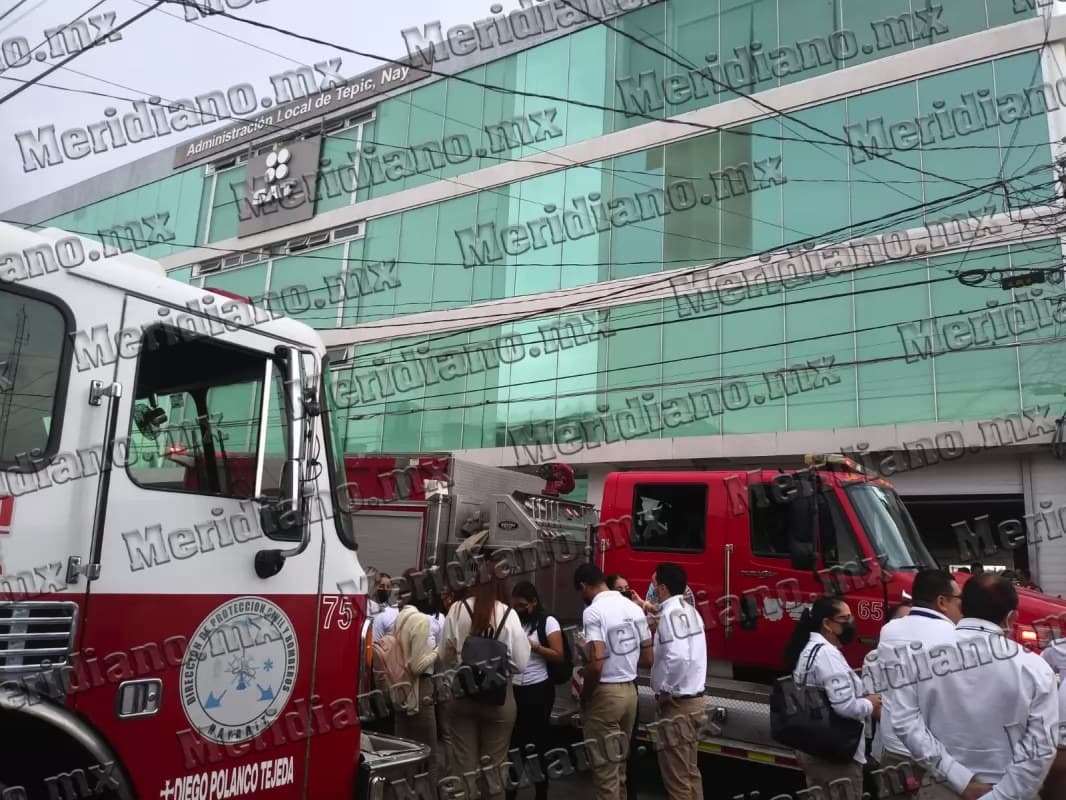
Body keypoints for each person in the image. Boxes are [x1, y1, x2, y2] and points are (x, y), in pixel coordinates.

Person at [895, 573, 1059, 800]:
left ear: (962, 606)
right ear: (1011, 617)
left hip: (943, 789)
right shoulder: (1034, 668)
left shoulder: (918, 659)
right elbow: (1040, 746)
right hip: (1014, 791)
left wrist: (960, 780)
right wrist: (1000, 795)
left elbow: (905, 724)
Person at [864, 570, 963, 798]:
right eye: (959, 599)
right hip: (937, 755)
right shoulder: (954, 636)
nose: (962, 606)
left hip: (894, 747)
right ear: (942, 601)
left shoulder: (889, 630)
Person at [441, 568, 530, 800]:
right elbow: (520, 664)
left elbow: (444, 656)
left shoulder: (457, 608)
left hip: (463, 694)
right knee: (495, 769)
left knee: (462, 769)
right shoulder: (509, 614)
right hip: (499, 698)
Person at [783, 596, 880, 798]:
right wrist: (870, 704)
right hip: (835, 757)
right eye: (845, 619)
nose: (851, 623)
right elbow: (844, 706)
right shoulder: (827, 654)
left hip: (815, 748)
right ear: (827, 624)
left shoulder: (810, 650)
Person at [574, 563, 653, 800]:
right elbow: (649, 657)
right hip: (630, 693)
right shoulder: (633, 608)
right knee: (619, 769)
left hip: (605, 695)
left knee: (605, 773)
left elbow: (596, 661)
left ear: (583, 586)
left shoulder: (593, 612)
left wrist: (586, 695)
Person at [649, 563, 707, 800]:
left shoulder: (671, 616)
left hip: (677, 705)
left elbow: (679, 656)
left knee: (677, 780)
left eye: (653, 584)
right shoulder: (690, 611)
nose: (651, 588)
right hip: (694, 701)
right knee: (690, 772)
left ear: (662, 588)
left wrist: (666, 690)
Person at [507, 581, 565, 800]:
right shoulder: (514, 622)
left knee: (538, 745)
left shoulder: (547, 622)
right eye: (515, 606)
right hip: (515, 688)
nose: (519, 610)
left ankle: (541, 793)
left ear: (533, 603)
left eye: (522, 606)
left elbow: (559, 655)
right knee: (514, 745)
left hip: (538, 690)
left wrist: (537, 647)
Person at [393, 569, 439, 770]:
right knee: (428, 751)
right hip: (420, 690)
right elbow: (418, 665)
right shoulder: (421, 620)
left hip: (401, 688)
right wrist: (439, 650)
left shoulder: (401, 616)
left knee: (404, 748)